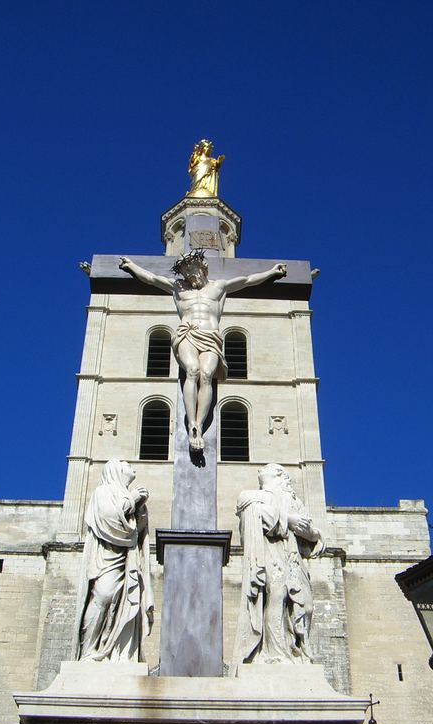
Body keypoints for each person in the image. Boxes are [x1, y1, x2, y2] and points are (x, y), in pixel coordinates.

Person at [120, 250, 287, 451]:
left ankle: (200, 423)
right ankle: (191, 424)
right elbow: (151, 278)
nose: (190, 276)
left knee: (207, 375)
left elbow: (248, 280)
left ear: (203, 267)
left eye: (193, 270)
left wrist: (271, 272)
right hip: (187, 333)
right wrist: (131, 266)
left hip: (211, 337)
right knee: (192, 370)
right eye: (186, 272)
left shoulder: (219, 287)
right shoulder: (177, 288)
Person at [232, 463, 325, 667]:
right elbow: (253, 511)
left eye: (269, 469)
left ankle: (298, 651)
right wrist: (287, 520)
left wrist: (315, 534)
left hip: (293, 558)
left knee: (306, 606)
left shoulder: (294, 501)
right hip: (270, 554)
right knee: (277, 595)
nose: (261, 471)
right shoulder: (254, 497)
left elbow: (309, 530)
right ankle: (276, 653)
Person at [76, 460, 154, 662]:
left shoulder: (123, 493)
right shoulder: (103, 492)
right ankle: (90, 651)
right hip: (107, 557)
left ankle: (117, 651)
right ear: (115, 470)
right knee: (103, 596)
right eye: (127, 465)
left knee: (123, 602)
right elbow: (109, 519)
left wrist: (140, 508)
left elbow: (138, 528)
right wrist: (132, 500)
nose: (133, 468)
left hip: (126, 560)